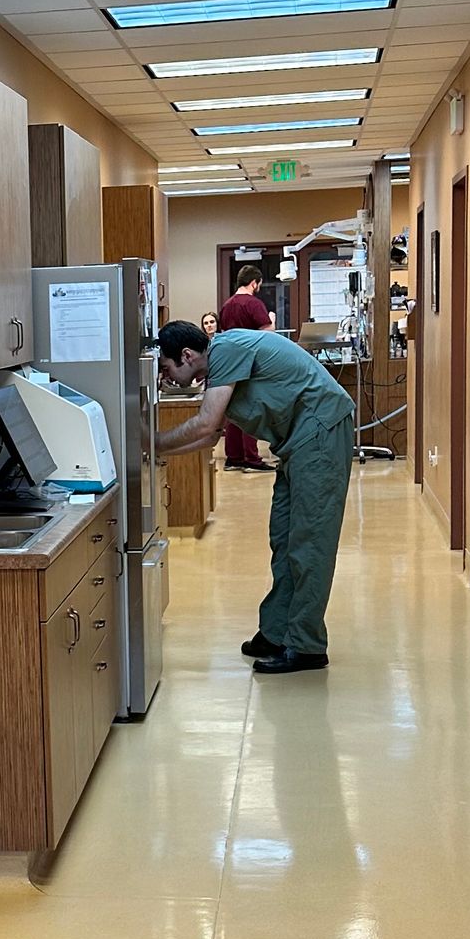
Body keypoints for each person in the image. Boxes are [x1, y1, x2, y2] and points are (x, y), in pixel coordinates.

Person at [156, 317, 355, 674]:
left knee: (310, 541)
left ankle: (307, 646)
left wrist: (150, 441)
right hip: (297, 442)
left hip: (320, 431)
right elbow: (209, 436)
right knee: (283, 537)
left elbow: (204, 423)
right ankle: (277, 631)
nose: (165, 378)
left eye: (166, 368)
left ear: (187, 355)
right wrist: (154, 453)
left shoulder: (225, 350)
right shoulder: (220, 367)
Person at [216, 264, 275, 471]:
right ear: (254, 282)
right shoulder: (254, 304)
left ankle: (234, 458)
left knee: (234, 412)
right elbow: (268, 334)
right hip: (251, 363)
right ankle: (251, 459)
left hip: (230, 363)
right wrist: (272, 320)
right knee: (251, 410)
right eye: (258, 284)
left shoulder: (227, 305)